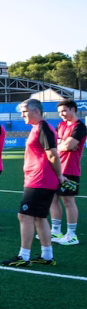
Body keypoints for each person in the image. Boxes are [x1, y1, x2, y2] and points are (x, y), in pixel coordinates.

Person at [1, 99, 67, 268]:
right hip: (38, 179)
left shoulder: (43, 127)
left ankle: (24, 255)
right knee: (39, 217)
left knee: (24, 216)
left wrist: (60, 176)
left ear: (36, 111)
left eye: (24, 111)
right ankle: (47, 255)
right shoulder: (38, 128)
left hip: (40, 180)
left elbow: (52, 154)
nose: (21, 114)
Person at [49, 99, 85, 246]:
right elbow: (55, 144)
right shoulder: (61, 125)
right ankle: (56, 230)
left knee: (68, 201)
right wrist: (62, 144)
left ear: (73, 109)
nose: (61, 114)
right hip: (56, 167)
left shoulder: (80, 126)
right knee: (53, 199)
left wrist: (63, 144)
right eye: (59, 112)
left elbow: (68, 145)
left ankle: (72, 235)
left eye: (64, 111)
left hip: (70, 169)